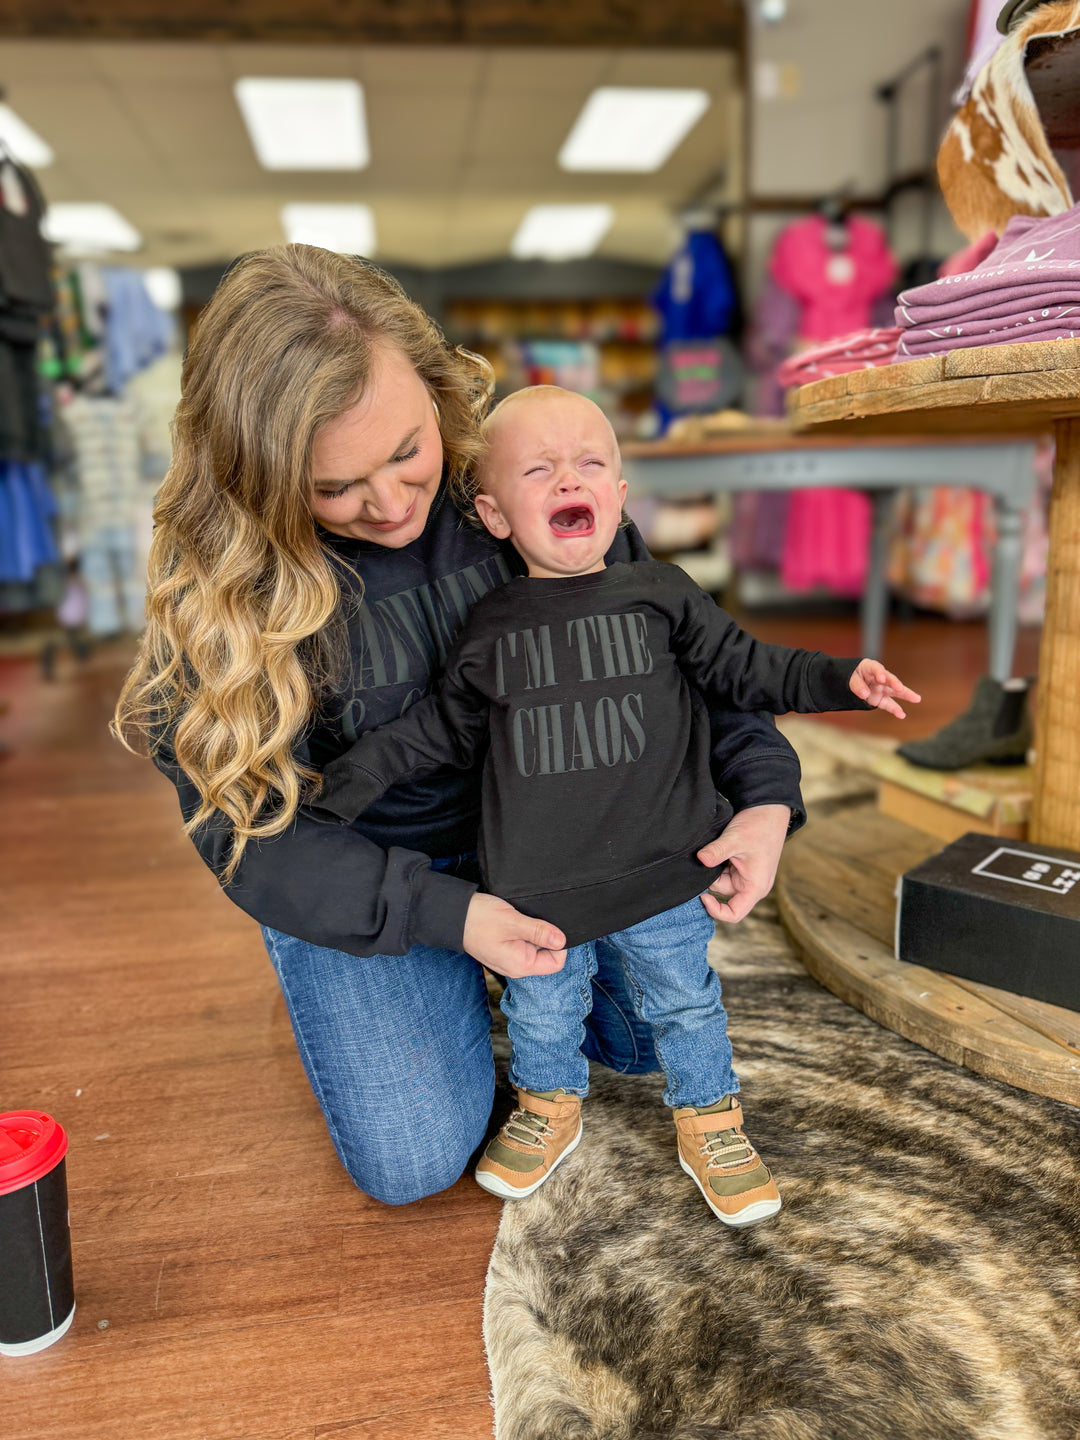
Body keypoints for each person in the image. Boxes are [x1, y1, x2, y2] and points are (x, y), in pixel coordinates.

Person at [113, 245, 809, 1209]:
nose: (392, 505)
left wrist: (767, 800)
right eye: (334, 489)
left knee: (647, 1046)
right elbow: (248, 831)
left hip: (562, 835)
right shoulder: (230, 595)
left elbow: (695, 659)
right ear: (261, 478)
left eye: (407, 452)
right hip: (385, 864)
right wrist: (449, 919)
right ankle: (350, 954)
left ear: (438, 394)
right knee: (414, 1160)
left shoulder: (524, 478)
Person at [312, 385, 920, 1226]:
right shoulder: (491, 626)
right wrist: (338, 789)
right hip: (540, 888)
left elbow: (746, 670)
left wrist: (836, 679)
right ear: (494, 515)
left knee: (684, 1001)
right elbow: (435, 733)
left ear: (621, 498)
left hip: (666, 871)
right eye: (540, 469)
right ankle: (549, 1107)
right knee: (542, 1006)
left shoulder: (661, 594)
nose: (570, 478)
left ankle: (711, 1118)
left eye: (591, 464)